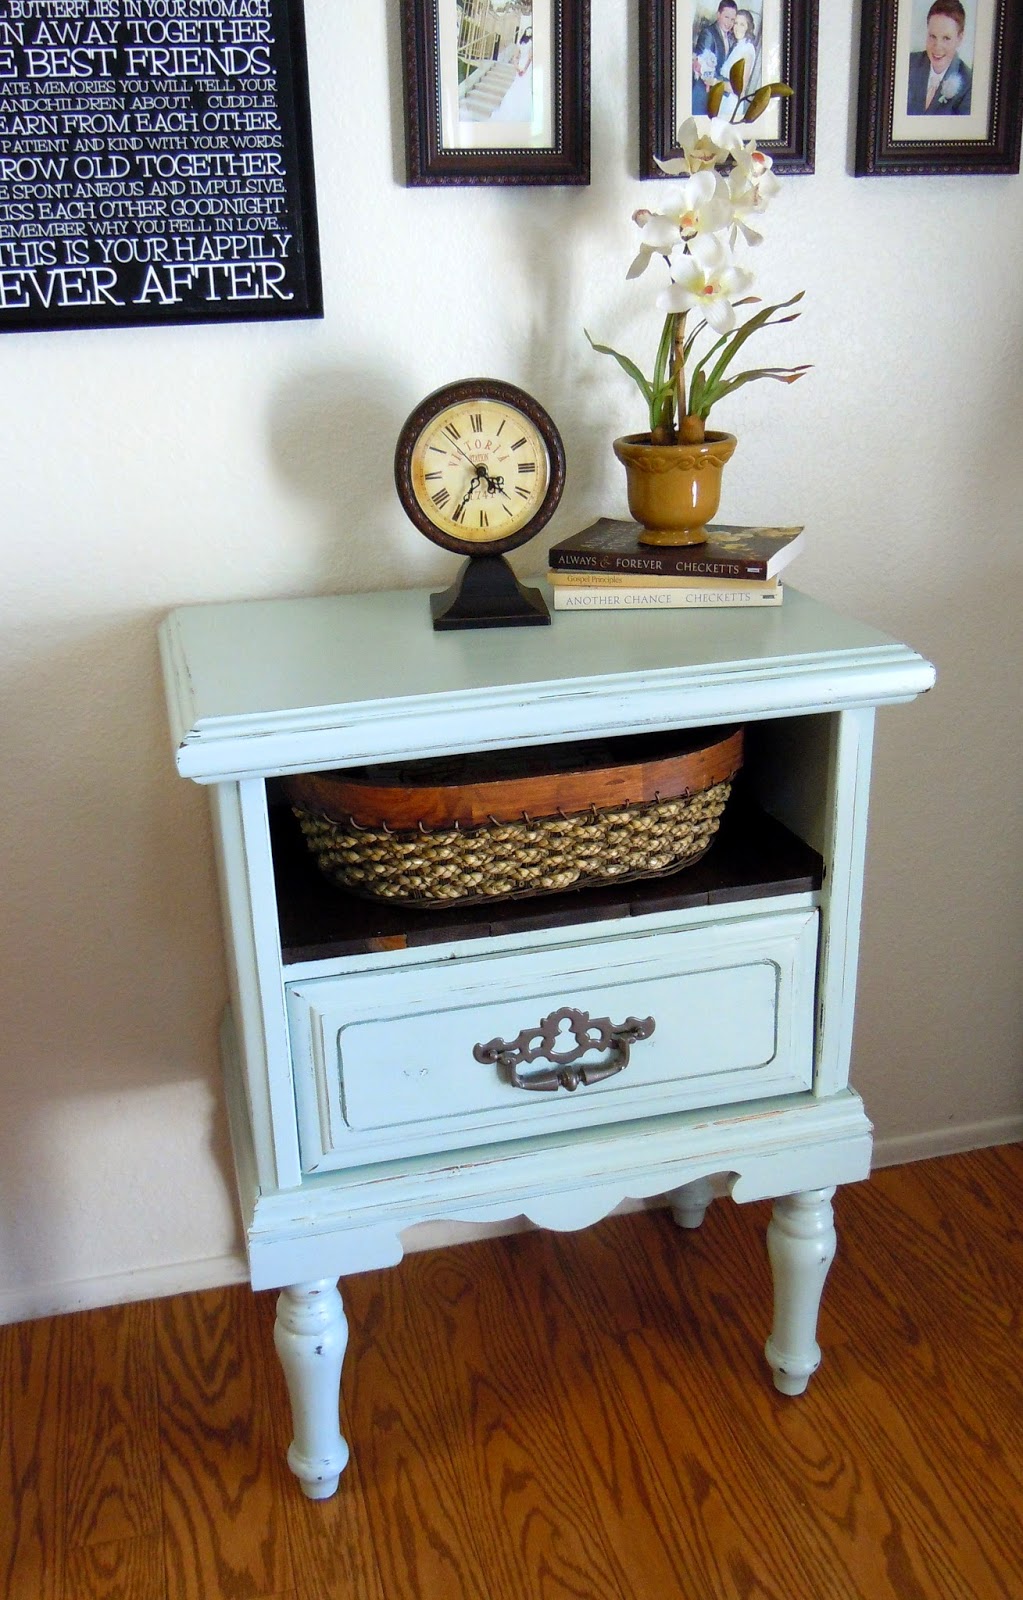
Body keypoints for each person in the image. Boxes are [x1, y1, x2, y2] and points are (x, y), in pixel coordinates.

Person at [907, 0, 972, 114]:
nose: (937, 47)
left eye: (946, 38)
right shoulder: (908, 64)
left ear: (959, 38)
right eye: (932, 36)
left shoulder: (969, 84)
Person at [692, 3, 737, 115]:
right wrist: (727, 84)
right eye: (726, 17)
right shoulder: (709, 33)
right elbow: (703, 67)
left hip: (718, 93)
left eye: (732, 19)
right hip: (703, 91)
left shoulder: (731, 37)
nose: (729, 23)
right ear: (718, 15)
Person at [718, 10, 758, 120]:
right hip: (723, 99)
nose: (737, 27)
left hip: (731, 104)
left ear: (748, 27)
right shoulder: (737, 46)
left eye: (742, 24)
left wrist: (715, 83)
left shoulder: (747, 49)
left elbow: (739, 88)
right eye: (735, 23)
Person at [492, 27, 533, 123]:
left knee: (517, 86)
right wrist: (524, 69)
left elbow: (515, 58)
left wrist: (517, 67)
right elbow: (530, 58)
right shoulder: (531, 43)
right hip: (526, 67)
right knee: (525, 87)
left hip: (520, 66)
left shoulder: (520, 43)